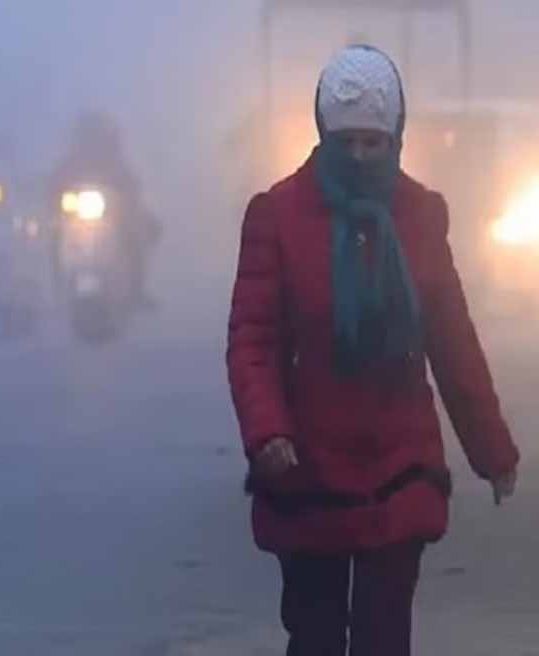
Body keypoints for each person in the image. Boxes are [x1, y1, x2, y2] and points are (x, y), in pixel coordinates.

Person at [226, 46, 519, 656]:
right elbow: (252, 340)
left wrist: (492, 451)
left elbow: (452, 340)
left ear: (396, 138)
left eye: (373, 142)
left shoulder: (421, 216)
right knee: (316, 635)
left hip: (398, 463)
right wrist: (267, 431)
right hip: (307, 467)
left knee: (384, 636)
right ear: (323, 134)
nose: (359, 156)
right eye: (347, 142)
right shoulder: (277, 215)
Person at [48, 111, 160, 308]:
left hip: (112, 218)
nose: (91, 140)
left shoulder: (114, 161)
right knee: (54, 237)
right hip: (74, 220)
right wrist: (54, 199)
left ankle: (137, 289)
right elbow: (55, 183)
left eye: (95, 134)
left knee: (133, 238)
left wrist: (126, 200)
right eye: (87, 135)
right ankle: (56, 285)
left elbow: (130, 184)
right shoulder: (72, 161)